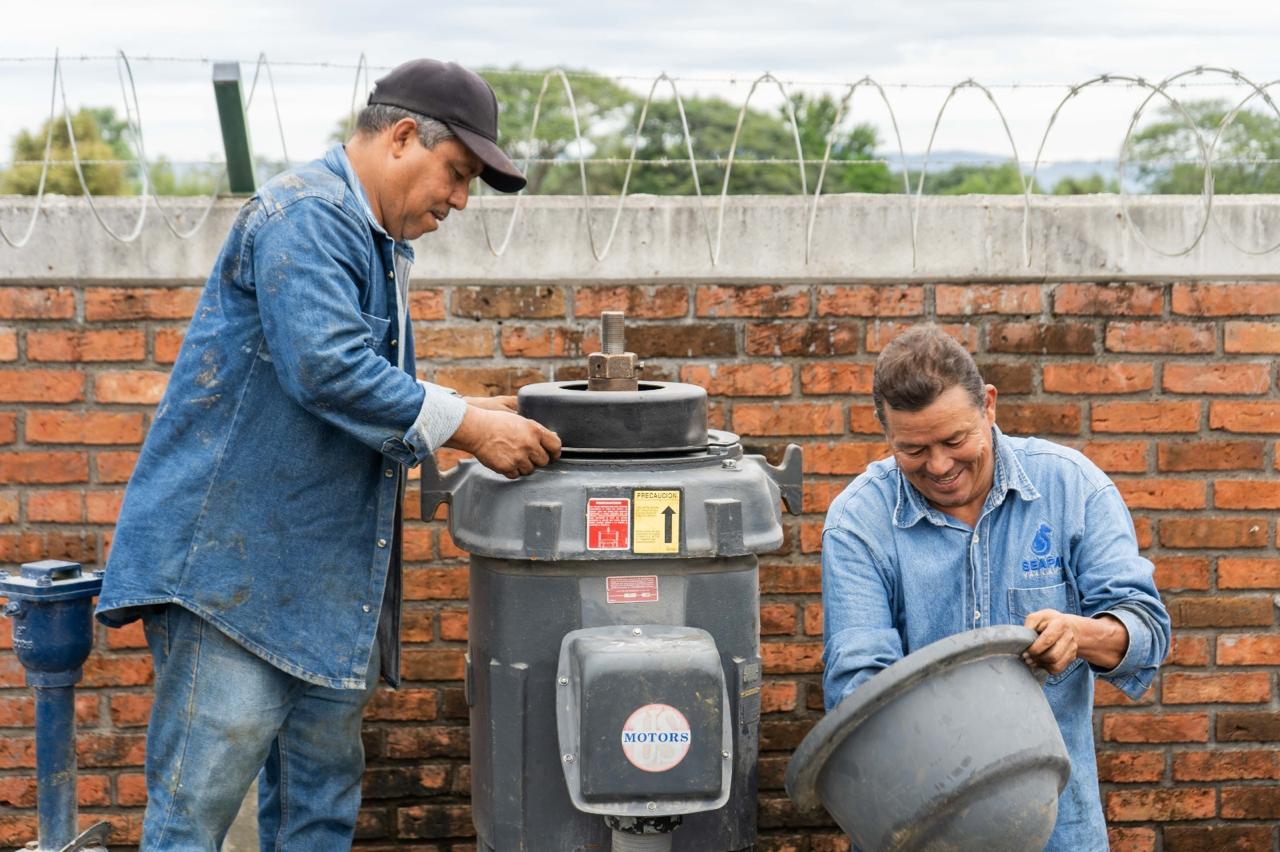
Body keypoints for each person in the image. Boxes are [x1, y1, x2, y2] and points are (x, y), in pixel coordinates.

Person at [95, 59, 561, 850]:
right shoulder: (306, 216)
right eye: (456, 174)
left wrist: (468, 409)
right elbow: (326, 366)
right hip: (231, 585)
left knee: (317, 815)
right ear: (404, 137)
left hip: (314, 586)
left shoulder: (371, 240)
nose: (458, 200)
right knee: (193, 819)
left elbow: (357, 375)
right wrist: (468, 428)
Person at [820, 325, 1170, 850]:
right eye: (912, 449)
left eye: (955, 440)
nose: (939, 466)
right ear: (886, 433)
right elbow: (857, 687)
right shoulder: (858, 522)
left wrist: (1082, 635)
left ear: (988, 405)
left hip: (1059, 827)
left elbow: (1146, 628)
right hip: (921, 828)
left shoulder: (1072, 487)